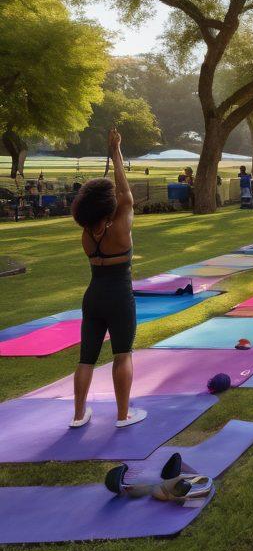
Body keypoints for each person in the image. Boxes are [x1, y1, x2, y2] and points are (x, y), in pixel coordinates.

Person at [69, 128, 145, 428]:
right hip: (119, 298)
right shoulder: (120, 227)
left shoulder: (87, 234)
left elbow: (113, 198)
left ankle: (78, 416)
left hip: (93, 297)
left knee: (85, 358)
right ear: (107, 204)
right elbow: (125, 194)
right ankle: (123, 415)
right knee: (122, 355)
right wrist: (116, 151)